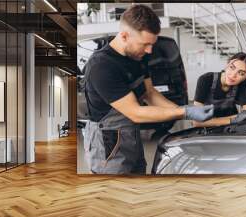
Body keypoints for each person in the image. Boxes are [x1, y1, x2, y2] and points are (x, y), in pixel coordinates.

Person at [83, 5, 213, 174]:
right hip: (108, 145)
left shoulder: (138, 56)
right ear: (124, 36)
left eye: (152, 44)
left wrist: (188, 111)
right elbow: (135, 112)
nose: (149, 50)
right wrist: (184, 112)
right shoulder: (102, 66)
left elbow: (149, 93)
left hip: (130, 136)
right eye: (145, 44)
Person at [193, 52, 246, 127]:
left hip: (231, 128)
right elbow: (197, 122)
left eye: (241, 73)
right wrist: (233, 119)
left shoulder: (244, 83)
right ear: (227, 65)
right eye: (232, 67)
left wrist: (211, 121)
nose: (233, 75)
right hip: (208, 131)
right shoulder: (206, 79)